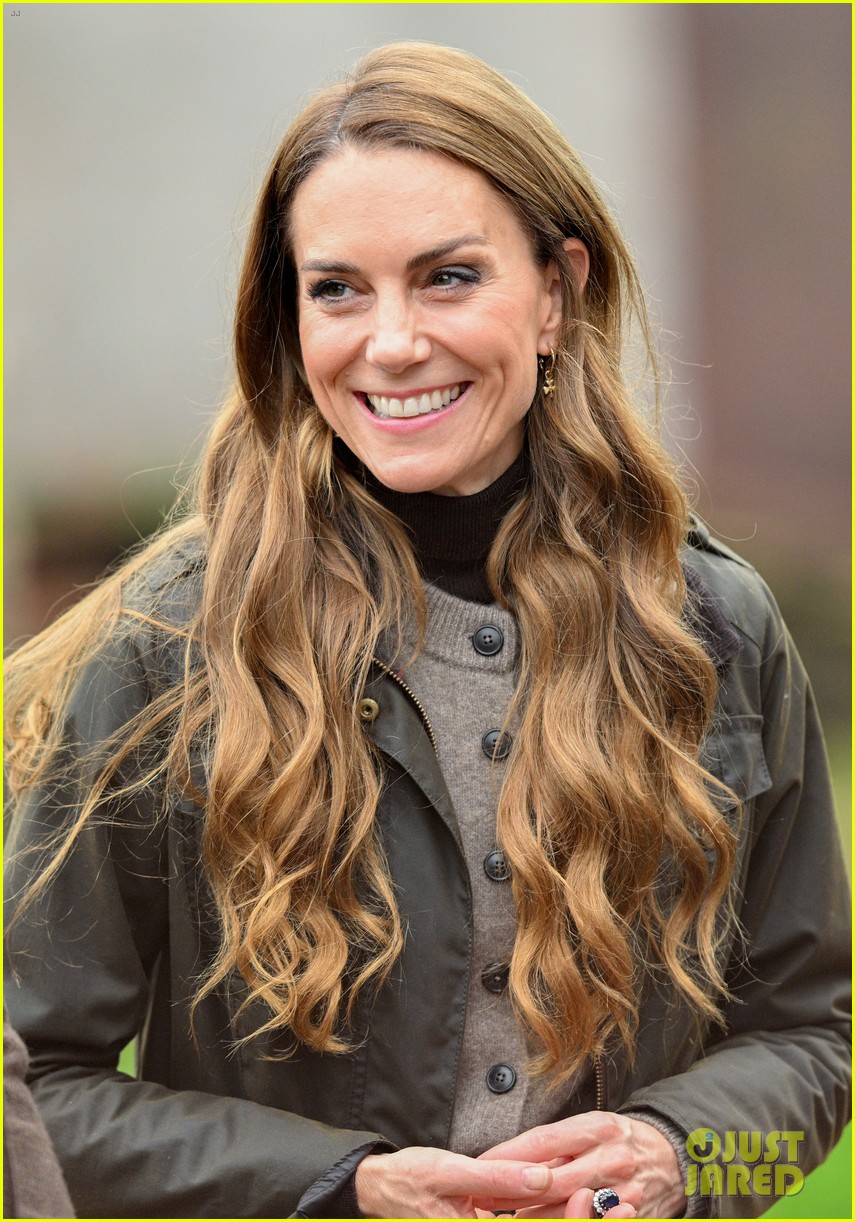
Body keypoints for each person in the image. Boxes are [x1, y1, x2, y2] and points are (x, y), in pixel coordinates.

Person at [4, 42, 850, 1221]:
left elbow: (816, 1039)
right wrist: (336, 1184)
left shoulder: (711, 628)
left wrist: (684, 1154)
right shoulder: (171, 646)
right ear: (286, 318)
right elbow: (34, 1094)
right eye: (338, 288)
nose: (390, 341)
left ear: (557, 291)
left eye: (448, 277)